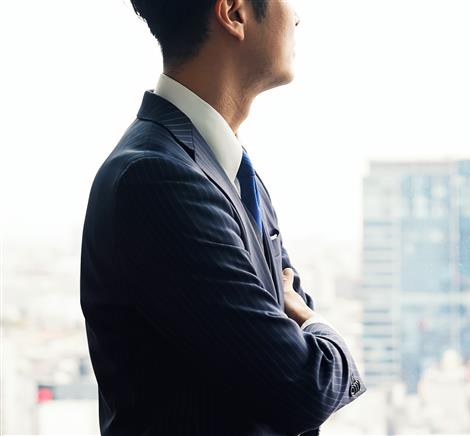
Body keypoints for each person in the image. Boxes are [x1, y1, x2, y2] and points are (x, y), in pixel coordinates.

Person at [80, 0, 365, 434]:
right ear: (233, 12)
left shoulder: (227, 168)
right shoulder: (157, 179)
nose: (297, 16)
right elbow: (306, 385)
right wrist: (319, 328)